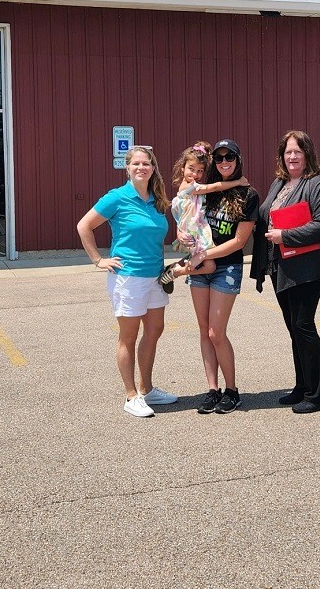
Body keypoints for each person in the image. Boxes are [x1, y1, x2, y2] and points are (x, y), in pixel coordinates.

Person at [76, 146, 179, 418]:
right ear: (128, 168)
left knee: (155, 329)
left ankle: (147, 389)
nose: (141, 168)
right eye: (136, 164)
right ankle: (131, 395)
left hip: (155, 276)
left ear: (153, 168)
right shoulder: (118, 197)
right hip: (128, 277)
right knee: (128, 337)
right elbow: (84, 225)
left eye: (146, 163)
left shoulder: (157, 199)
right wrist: (98, 260)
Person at [250, 131, 320, 413]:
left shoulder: (318, 184)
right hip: (282, 266)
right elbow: (265, 215)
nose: (292, 157)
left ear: (307, 154)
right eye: (288, 152)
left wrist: (285, 235)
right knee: (294, 329)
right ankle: (303, 386)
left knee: (303, 325)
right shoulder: (280, 183)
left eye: (297, 152)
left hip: (309, 266)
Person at [172, 139, 259, 415]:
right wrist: (179, 234)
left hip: (226, 267)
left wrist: (204, 256)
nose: (224, 162)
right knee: (203, 331)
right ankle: (213, 389)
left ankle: (232, 391)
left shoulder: (248, 195)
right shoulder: (206, 188)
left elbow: (238, 242)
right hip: (200, 263)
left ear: (238, 159)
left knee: (216, 332)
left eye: (229, 157)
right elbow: (187, 216)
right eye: (219, 158)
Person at [161, 141, 249, 285]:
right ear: (182, 168)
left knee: (207, 265)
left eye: (200, 170)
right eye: (191, 169)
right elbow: (214, 187)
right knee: (210, 267)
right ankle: (176, 271)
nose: (195, 174)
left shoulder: (195, 187)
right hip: (195, 232)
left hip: (196, 229)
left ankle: (176, 268)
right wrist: (238, 182)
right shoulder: (188, 187)